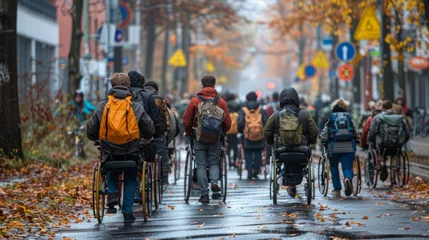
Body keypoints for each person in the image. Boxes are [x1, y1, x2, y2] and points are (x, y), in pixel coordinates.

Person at [87, 73, 155, 222]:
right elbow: (148, 127)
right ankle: (127, 212)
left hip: (109, 148)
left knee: (110, 167)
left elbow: (91, 128)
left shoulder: (103, 105)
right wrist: (147, 137)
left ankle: (112, 194)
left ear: (112, 86)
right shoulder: (135, 106)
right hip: (131, 149)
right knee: (131, 176)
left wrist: (95, 138)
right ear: (128, 86)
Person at [183, 75, 231, 203]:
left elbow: (187, 120)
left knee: (201, 165)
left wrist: (188, 133)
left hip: (199, 138)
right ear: (214, 85)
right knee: (214, 162)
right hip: (215, 138)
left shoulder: (195, 101)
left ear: (202, 85)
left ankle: (204, 194)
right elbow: (227, 122)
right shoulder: (221, 102)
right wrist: (222, 132)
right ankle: (215, 183)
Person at [264, 87, 318, 198]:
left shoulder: (276, 114)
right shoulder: (304, 114)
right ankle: (294, 186)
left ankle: (290, 186)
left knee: (284, 162)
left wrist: (270, 142)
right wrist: (310, 142)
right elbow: (314, 131)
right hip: (301, 151)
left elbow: (267, 131)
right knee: (300, 163)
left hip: (281, 151)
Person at [320, 99, 359, 197]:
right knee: (347, 166)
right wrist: (357, 140)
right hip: (348, 146)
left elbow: (324, 134)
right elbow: (355, 133)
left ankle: (337, 189)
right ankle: (347, 179)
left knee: (333, 166)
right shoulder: (349, 118)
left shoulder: (332, 119)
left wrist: (322, 141)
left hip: (334, 146)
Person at [368, 100, 410, 186]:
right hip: (397, 145)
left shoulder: (377, 118)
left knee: (380, 152)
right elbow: (407, 133)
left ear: (383, 107)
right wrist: (402, 142)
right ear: (392, 107)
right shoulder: (400, 118)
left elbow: (372, 132)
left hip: (382, 145)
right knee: (395, 156)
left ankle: (382, 164)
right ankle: (393, 178)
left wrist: (370, 141)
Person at [144, 80, 170, 190]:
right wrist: (166, 133)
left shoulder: (139, 98)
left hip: (143, 134)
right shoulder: (159, 100)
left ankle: (142, 183)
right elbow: (167, 118)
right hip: (158, 134)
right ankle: (163, 182)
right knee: (163, 159)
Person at [238, 91, 268, 180]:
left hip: (247, 136)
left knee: (247, 153)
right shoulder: (261, 109)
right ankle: (256, 169)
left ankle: (249, 172)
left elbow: (240, 123)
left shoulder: (243, 110)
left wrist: (241, 132)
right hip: (259, 136)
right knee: (258, 152)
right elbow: (265, 122)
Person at [226, 93, 241, 168]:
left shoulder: (225, 104)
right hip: (235, 130)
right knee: (235, 146)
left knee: (227, 146)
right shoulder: (237, 104)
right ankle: (235, 161)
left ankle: (229, 161)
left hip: (227, 129)